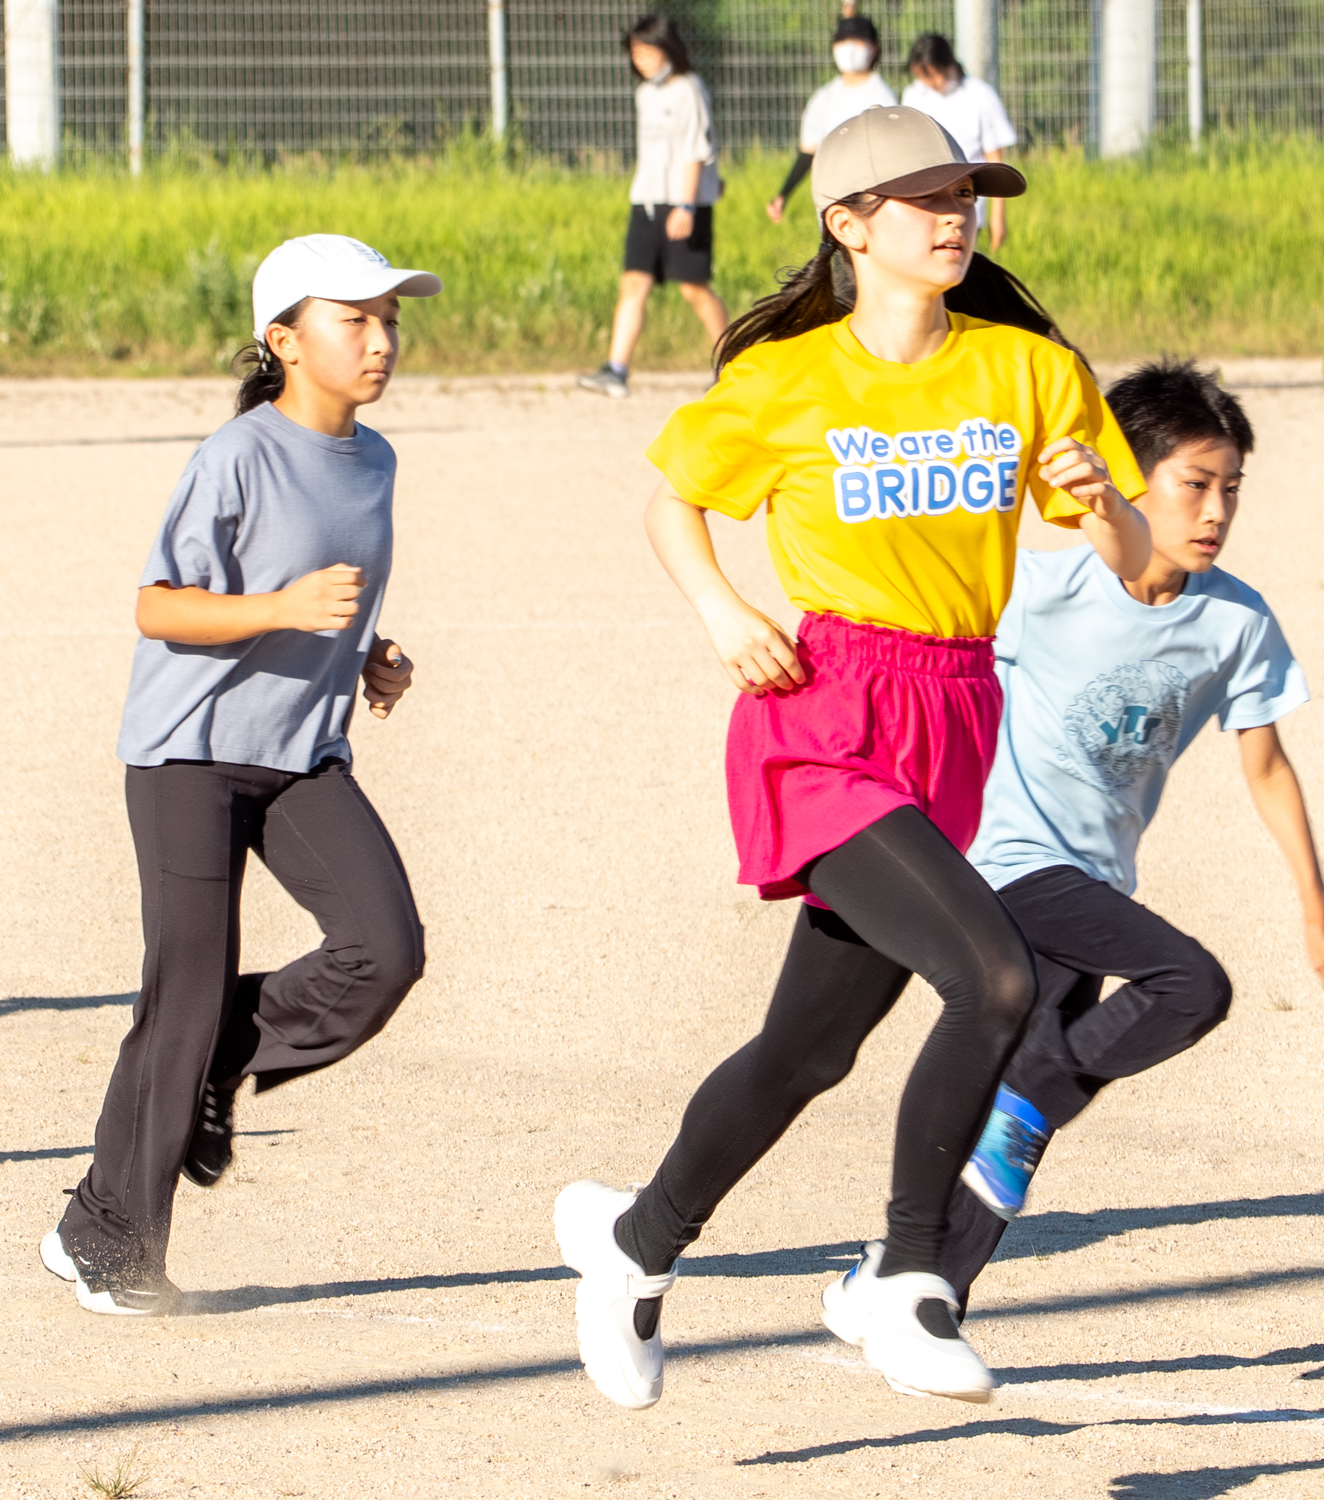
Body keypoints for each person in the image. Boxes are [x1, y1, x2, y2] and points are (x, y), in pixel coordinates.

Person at [554, 106, 1151, 1409]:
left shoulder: (1028, 370)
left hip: (953, 715)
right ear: (848, 224)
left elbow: (1138, 562)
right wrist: (724, 612)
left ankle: (633, 1244)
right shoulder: (788, 381)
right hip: (824, 717)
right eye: (926, 197)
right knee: (996, 978)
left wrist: (1106, 502)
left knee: (805, 1051)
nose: (956, 215)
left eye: (966, 194)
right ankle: (908, 1280)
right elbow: (673, 503)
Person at [41, 234, 437, 1315]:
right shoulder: (236, 456)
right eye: (353, 319)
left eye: (389, 319)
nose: (380, 339)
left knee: (384, 951)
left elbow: (323, 599)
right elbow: (159, 606)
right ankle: (108, 1241)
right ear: (283, 341)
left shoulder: (376, 458)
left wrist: (370, 656)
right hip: (192, 754)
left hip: (302, 754)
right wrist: (284, 610)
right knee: (183, 991)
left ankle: (214, 1060)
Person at [931, 359, 1324, 1311]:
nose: (1216, 510)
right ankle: (1023, 1106)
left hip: (1091, 884)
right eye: (1195, 484)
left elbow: (1266, 766)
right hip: (1003, 866)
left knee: (1013, 1128)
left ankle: (915, 1287)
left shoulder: (1235, 622)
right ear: (1130, 480)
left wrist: (1316, 909)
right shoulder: (1038, 587)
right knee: (1188, 986)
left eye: (1232, 489)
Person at [579, 13, 729, 400]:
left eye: (648, 51)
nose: (641, 59)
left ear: (668, 49)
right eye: (635, 52)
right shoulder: (645, 93)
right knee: (634, 282)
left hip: (684, 204)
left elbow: (696, 151)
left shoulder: (689, 89)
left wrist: (687, 206)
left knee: (694, 289)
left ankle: (731, 366)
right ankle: (616, 370)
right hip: (646, 201)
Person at [765, 3, 896, 225]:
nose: (849, 48)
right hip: (832, 203)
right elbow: (809, 152)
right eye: (842, 41)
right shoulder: (824, 97)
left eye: (856, 41)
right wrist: (783, 194)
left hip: (873, 204)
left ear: (874, 48)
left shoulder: (883, 96)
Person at [900, 34, 1018, 251]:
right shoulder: (914, 95)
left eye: (931, 75)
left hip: (967, 210)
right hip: (925, 209)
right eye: (921, 76)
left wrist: (997, 215)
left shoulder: (980, 95)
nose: (927, 82)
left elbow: (994, 160)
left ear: (946, 65)